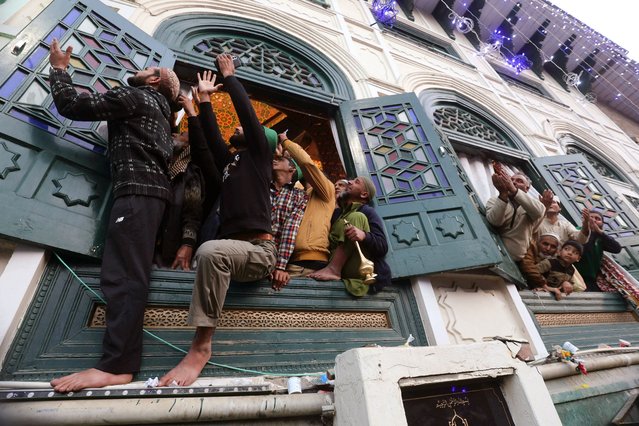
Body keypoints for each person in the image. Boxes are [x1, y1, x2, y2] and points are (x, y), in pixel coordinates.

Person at [47, 39, 179, 392]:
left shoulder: (136, 97)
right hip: (148, 196)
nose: (142, 68)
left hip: (138, 194)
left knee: (123, 277)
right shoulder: (160, 114)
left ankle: (118, 366)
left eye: (149, 68)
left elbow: (72, 104)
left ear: (154, 81)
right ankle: (119, 362)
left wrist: (59, 68)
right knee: (129, 275)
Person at [159, 56, 281, 387]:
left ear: (262, 143)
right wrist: (204, 100)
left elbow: (248, 117)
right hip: (234, 250)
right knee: (213, 251)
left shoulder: (259, 157)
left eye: (245, 130)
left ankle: (200, 348)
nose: (237, 127)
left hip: (259, 250)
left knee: (211, 251)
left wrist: (230, 77)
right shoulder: (231, 164)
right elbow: (211, 140)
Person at [309, 176, 391, 296]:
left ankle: (333, 269)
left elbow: (382, 246)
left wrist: (364, 236)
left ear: (363, 194)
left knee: (356, 217)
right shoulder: (337, 214)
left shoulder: (367, 211)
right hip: (334, 263)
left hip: (358, 268)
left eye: (356, 182)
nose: (349, 182)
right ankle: (331, 268)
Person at [279, 132, 336, 277]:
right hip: (290, 260)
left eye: (313, 175)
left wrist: (286, 142)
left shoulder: (327, 190)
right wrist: (282, 158)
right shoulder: (302, 194)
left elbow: (306, 164)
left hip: (310, 261)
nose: (308, 175)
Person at [154, 131, 204, 271]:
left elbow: (193, 214)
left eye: (181, 134)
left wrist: (187, 244)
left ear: (186, 147)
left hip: (169, 253)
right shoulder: (159, 165)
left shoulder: (191, 175)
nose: (174, 134)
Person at [485, 163, 552, 263]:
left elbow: (539, 211)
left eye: (519, 181)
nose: (513, 182)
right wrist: (503, 195)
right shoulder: (495, 200)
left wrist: (512, 188)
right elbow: (495, 222)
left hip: (516, 260)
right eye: (511, 180)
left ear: (527, 188)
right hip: (493, 253)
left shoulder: (533, 205)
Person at [575, 210, 622, 291]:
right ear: (584, 219)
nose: (593, 220)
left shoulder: (601, 237)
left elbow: (617, 249)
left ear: (602, 224)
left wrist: (600, 232)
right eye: (591, 217)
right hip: (573, 274)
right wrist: (588, 229)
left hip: (590, 279)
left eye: (598, 219)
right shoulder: (575, 231)